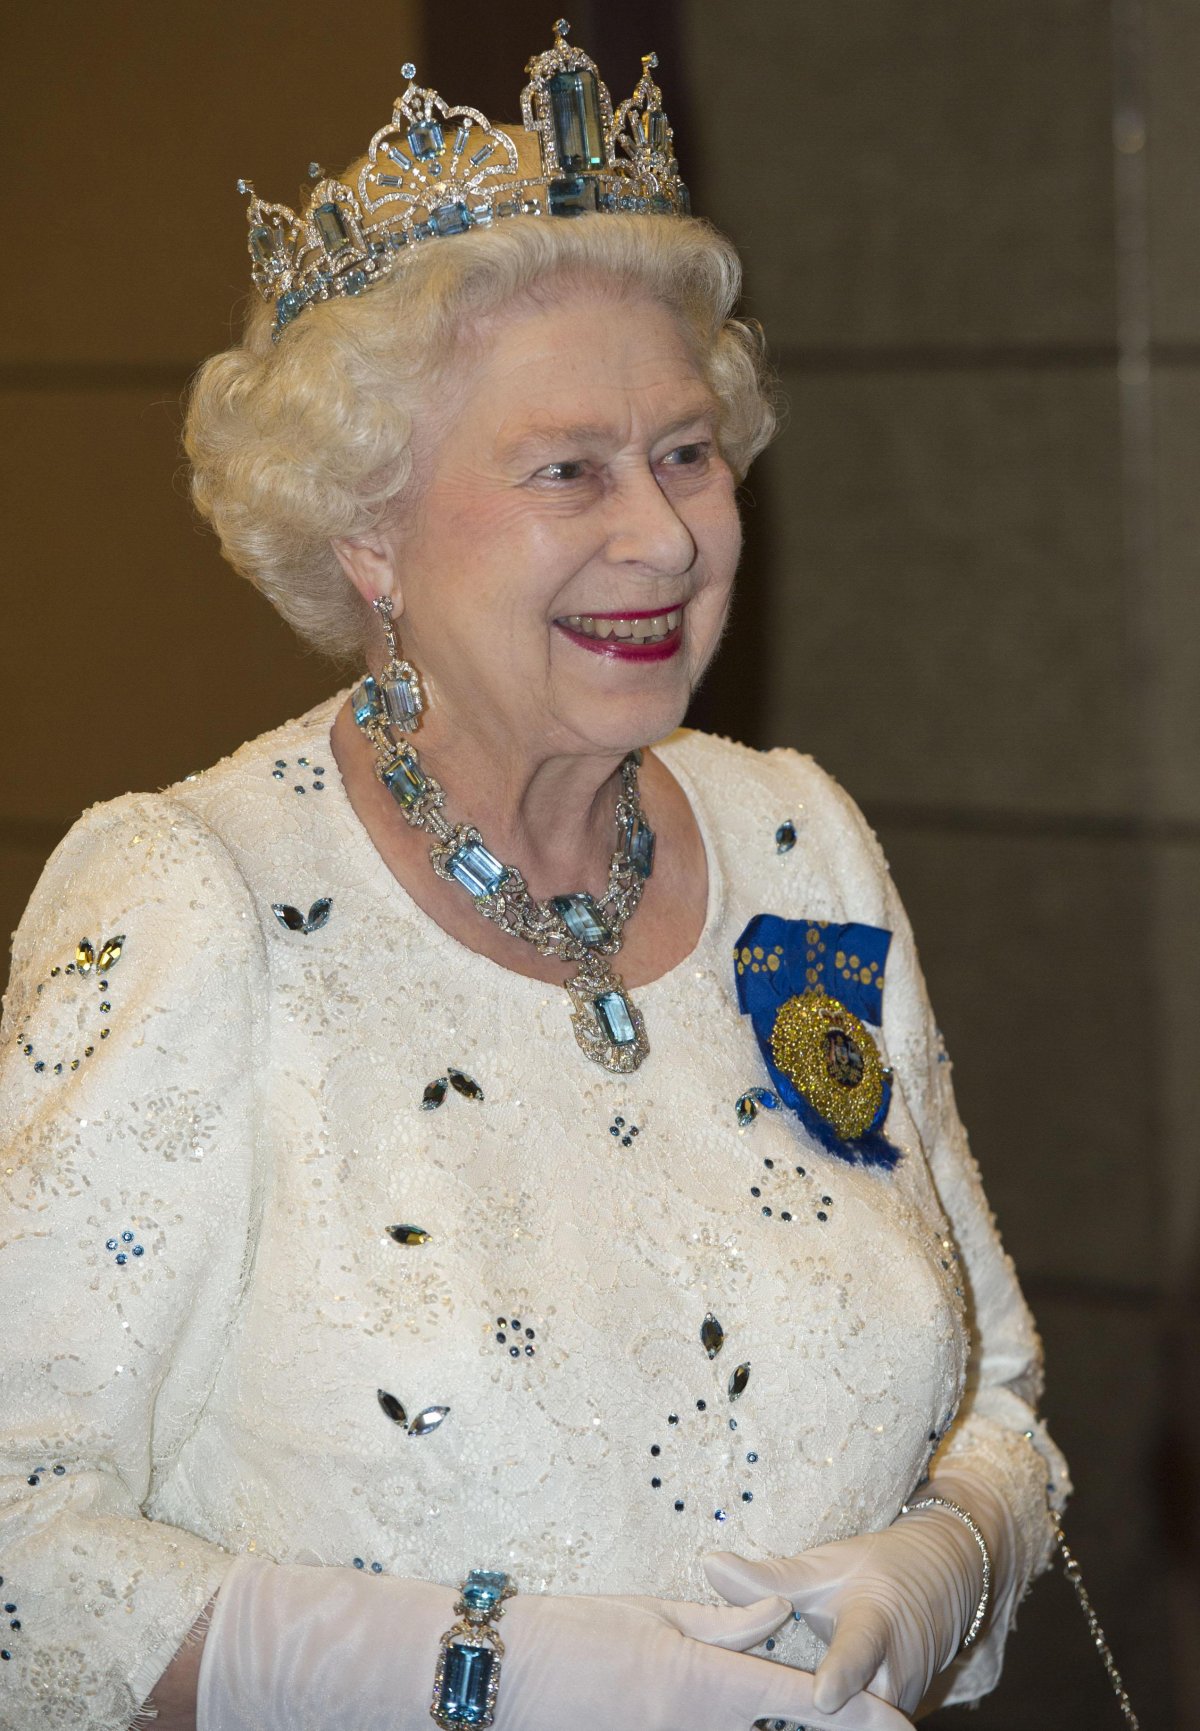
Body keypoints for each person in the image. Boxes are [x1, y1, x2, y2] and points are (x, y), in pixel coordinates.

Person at [0, 23, 1069, 1731]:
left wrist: (947, 1556)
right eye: (569, 468)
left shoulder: (801, 841)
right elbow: (17, 1563)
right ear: (368, 533)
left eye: (689, 452)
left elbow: (995, 1395)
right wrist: (498, 1678)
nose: (664, 534)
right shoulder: (192, 893)